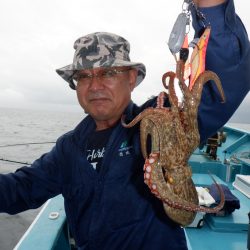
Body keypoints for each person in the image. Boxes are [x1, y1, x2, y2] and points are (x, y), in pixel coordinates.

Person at [0, 0, 249, 249]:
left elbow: (225, 82)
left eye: (108, 73)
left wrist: (210, 9)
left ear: (131, 79)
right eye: (84, 76)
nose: (95, 85)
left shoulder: (161, 122)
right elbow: (21, 188)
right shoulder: (68, 148)